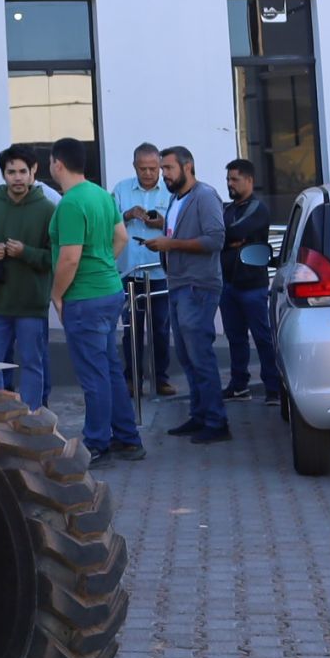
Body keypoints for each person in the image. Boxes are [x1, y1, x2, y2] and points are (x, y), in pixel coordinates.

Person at [45, 138, 141, 465]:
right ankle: (127, 438)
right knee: (109, 368)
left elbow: (70, 258)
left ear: (57, 164)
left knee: (93, 375)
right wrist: (102, 264)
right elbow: (122, 237)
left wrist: (57, 294)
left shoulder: (71, 204)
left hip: (84, 298)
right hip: (109, 290)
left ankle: (97, 442)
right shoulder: (101, 194)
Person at [150, 147, 229, 442]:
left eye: (169, 168)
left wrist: (170, 245)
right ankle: (200, 415)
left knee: (200, 354)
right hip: (178, 283)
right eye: (163, 169)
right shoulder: (176, 199)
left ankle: (216, 422)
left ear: (188, 166)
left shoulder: (205, 196)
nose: (164, 175)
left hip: (198, 285)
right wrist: (162, 239)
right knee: (186, 355)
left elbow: (215, 239)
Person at [0, 145, 54, 407]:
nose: (17, 177)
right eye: (11, 172)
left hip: (31, 304)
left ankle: (33, 417)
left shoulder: (47, 209)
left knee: (32, 365)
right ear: (3, 174)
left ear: (33, 172)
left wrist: (25, 252)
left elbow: (55, 256)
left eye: (22, 171)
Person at [111, 143, 176, 397]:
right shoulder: (121, 189)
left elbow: (181, 225)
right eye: (142, 168)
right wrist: (127, 215)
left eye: (153, 168)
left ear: (159, 166)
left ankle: (160, 379)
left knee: (160, 327)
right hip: (129, 271)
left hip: (160, 272)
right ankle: (132, 379)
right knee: (131, 329)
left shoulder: (171, 191)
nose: (148, 173)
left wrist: (162, 222)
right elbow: (108, 221)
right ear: (134, 166)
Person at [219, 159, 283, 405]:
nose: (230, 184)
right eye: (228, 179)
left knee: (262, 338)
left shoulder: (258, 209)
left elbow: (233, 232)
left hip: (252, 284)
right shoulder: (227, 210)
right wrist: (231, 241)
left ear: (249, 180)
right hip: (228, 283)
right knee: (235, 338)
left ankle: (273, 388)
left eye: (234, 179)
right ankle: (239, 385)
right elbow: (218, 234)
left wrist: (230, 239)